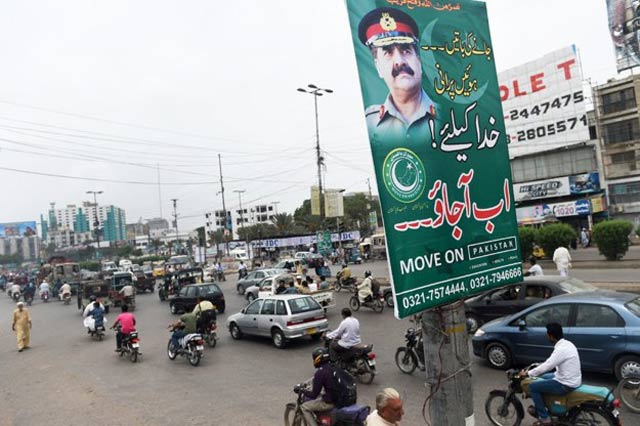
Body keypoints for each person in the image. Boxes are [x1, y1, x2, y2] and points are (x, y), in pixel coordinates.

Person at [358, 7, 437, 143]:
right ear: (378, 68)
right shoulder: (369, 124)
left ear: (419, 61)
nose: (399, 61)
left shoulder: (448, 116)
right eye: (388, 53)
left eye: (406, 50)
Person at [520, 323, 581, 424]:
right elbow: (550, 362)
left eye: (547, 334)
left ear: (551, 336)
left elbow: (547, 366)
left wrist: (527, 373)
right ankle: (549, 405)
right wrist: (539, 368)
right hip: (571, 378)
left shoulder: (561, 349)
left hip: (565, 384)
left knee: (533, 387)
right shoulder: (568, 344)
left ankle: (544, 417)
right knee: (543, 377)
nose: (546, 336)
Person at [300, 348, 335, 426]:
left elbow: (313, 394)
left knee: (304, 407)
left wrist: (302, 390)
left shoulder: (320, 372)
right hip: (342, 400)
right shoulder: (334, 367)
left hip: (331, 403)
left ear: (317, 359)